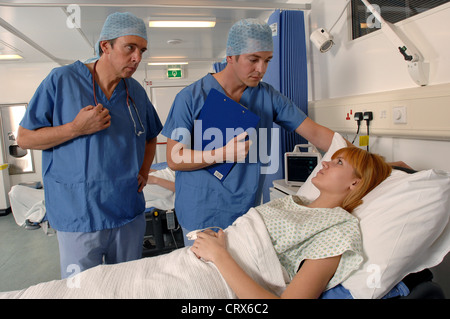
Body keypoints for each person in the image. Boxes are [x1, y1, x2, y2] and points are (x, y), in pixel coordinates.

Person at [161, 18, 348, 244]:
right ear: (231, 57)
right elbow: (174, 157)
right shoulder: (190, 98)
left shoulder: (268, 97)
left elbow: (317, 135)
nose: (261, 69)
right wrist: (221, 154)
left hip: (243, 211)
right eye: (253, 59)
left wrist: (369, 164)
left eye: (267, 60)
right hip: (199, 211)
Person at [16, 12, 163, 278]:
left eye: (142, 50)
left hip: (126, 211)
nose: (137, 58)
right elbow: (25, 138)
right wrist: (75, 128)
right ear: (105, 46)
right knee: (81, 290)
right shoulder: (60, 81)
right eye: (130, 47)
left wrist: (144, 169)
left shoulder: (135, 92)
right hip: (78, 216)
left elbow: (151, 135)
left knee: (128, 287)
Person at [191, 147, 392, 299]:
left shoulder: (337, 230)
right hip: (198, 261)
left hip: (212, 279)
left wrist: (219, 255)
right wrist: (219, 239)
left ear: (355, 183)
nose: (325, 163)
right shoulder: (293, 202)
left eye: (339, 162)